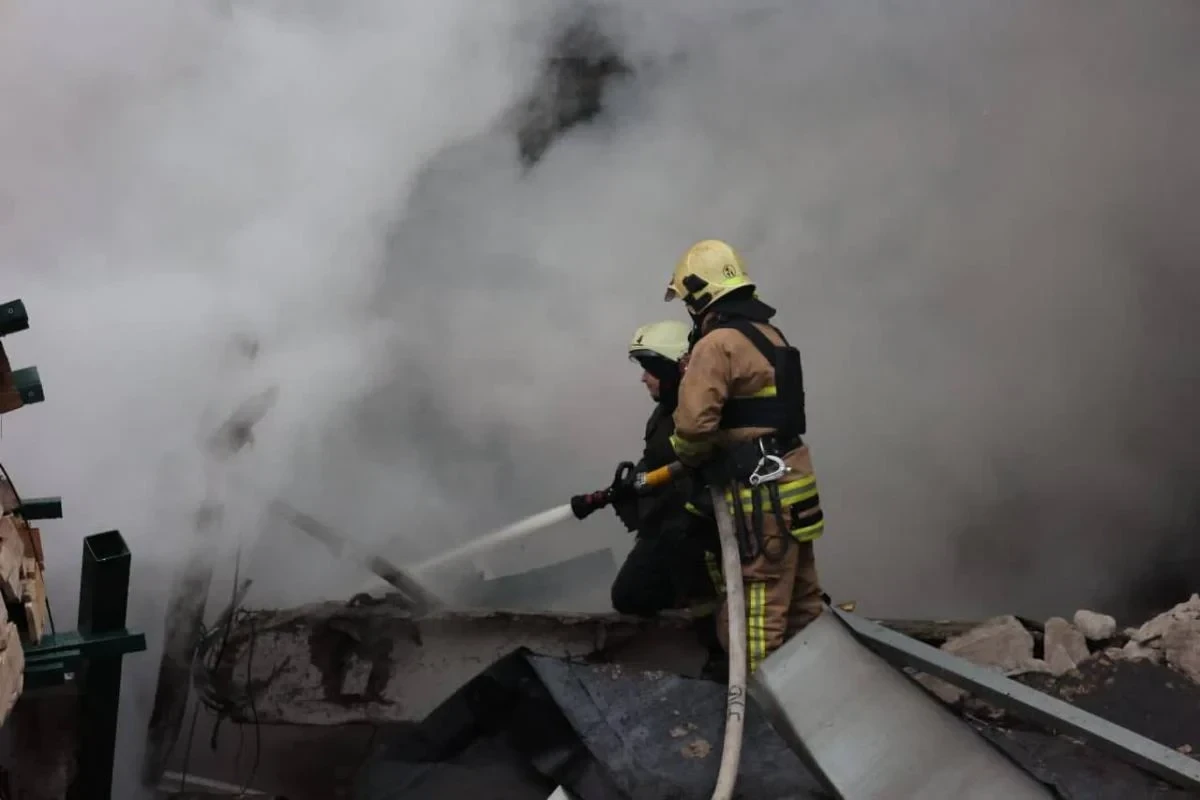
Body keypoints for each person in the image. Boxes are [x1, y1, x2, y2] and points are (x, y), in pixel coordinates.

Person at [663, 239, 827, 672]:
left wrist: (687, 454)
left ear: (700, 295)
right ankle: (822, 702)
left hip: (760, 500)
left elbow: (694, 426)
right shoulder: (770, 335)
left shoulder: (716, 345)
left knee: (756, 619)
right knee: (802, 604)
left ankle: (761, 718)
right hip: (794, 490)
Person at [606, 320, 721, 618]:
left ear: (674, 369)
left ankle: (715, 643)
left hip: (706, 533)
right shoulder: (663, 413)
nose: (643, 379)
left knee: (717, 603)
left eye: (650, 370)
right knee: (630, 594)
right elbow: (656, 461)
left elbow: (703, 466)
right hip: (669, 528)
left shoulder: (703, 411)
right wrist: (630, 486)